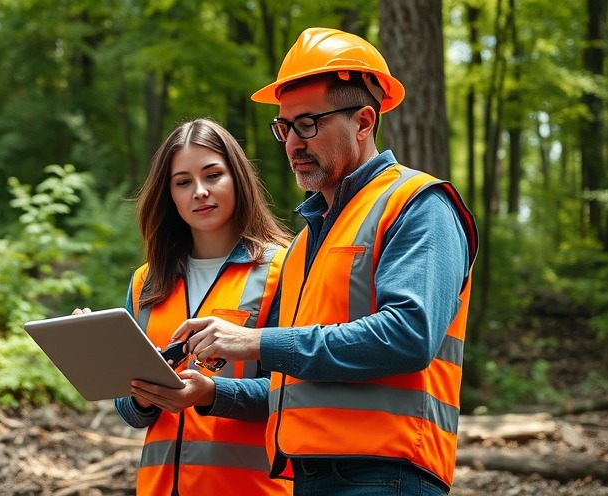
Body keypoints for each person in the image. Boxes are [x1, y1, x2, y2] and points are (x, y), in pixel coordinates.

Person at [171, 27, 479, 495]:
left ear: (363, 121)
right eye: (285, 127)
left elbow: (409, 335)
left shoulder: (417, 204)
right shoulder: (301, 248)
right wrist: (214, 392)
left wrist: (256, 340)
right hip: (309, 475)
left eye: (309, 123)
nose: (293, 141)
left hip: (387, 476)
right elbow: (290, 385)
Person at [114, 118, 293, 495]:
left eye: (213, 175)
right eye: (183, 182)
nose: (199, 191)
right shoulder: (145, 283)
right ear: (170, 195)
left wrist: (212, 393)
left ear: (237, 179)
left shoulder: (284, 270)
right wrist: (138, 395)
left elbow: (295, 393)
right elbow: (129, 411)